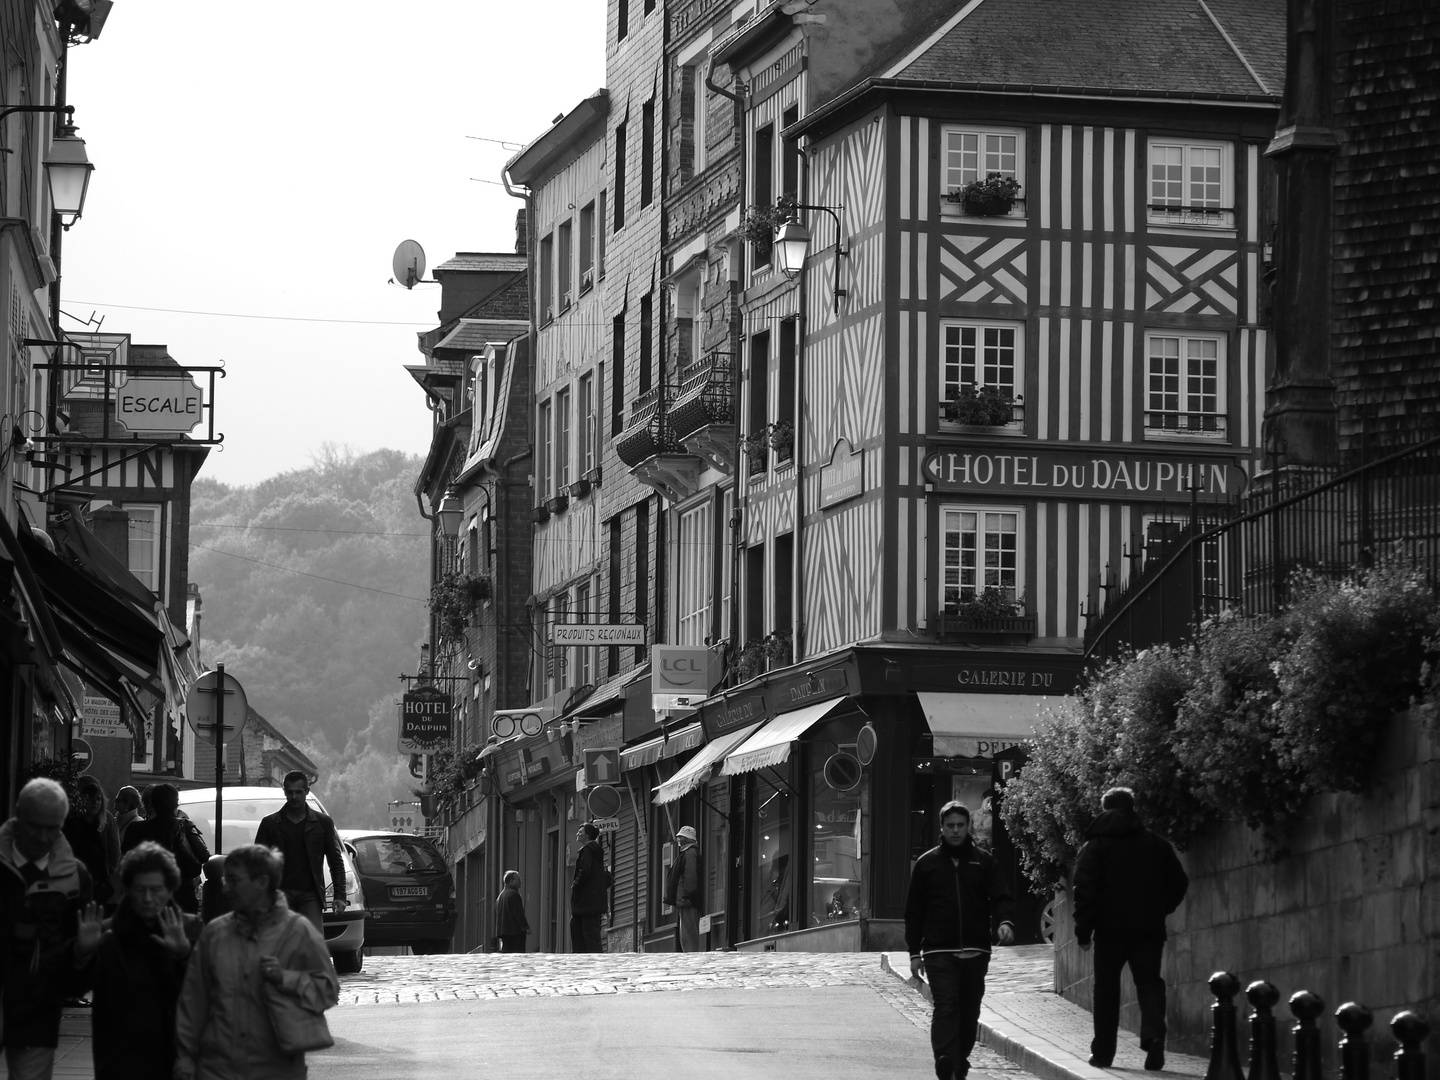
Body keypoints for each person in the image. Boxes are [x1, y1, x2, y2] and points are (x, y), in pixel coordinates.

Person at [174, 845, 339, 1080]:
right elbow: (193, 1001)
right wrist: (185, 1058)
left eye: (233, 880)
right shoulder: (215, 933)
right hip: (217, 1069)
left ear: (261, 882)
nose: (224, 887)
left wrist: (286, 979)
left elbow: (328, 991)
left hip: (277, 1069)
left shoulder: (299, 931)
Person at [1073, 786, 1189, 1072]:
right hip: (1148, 928)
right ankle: (1154, 1037)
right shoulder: (1156, 844)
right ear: (1132, 807)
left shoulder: (1095, 847)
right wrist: (1162, 908)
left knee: (1107, 990)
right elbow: (1179, 882)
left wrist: (1083, 932)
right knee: (1149, 983)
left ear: (1104, 808)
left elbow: (1085, 890)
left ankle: (1103, 1053)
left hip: (1110, 931)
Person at [0, 778, 103, 1079]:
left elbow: (71, 974)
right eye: (36, 826)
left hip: (37, 1005)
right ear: (18, 817)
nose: (44, 837)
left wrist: (83, 954)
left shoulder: (74, 877)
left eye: (53, 828)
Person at [905, 800, 1015, 1080]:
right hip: (939, 951)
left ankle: (958, 1061)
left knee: (969, 1014)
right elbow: (914, 911)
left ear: (968, 827)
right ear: (942, 827)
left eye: (960, 825)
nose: (955, 831)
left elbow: (1000, 895)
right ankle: (944, 1058)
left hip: (977, 950)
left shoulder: (984, 862)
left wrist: (1004, 922)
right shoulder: (926, 864)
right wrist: (914, 952)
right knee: (945, 1005)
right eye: (950, 825)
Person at [86, 842, 201, 1080]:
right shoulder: (107, 935)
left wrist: (183, 955)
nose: (148, 898)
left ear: (170, 890)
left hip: (177, 1059)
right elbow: (70, 985)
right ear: (127, 889)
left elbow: (208, 995)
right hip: (119, 1061)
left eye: (156, 890)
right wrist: (79, 952)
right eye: (139, 890)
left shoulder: (191, 930)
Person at [253, 772, 347, 935]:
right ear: (284, 792)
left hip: (310, 895)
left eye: (298, 792)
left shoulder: (322, 823)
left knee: (311, 945)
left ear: (307, 791)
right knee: (280, 946)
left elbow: (335, 860)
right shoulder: (270, 824)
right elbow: (257, 863)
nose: (294, 796)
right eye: (290, 792)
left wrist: (340, 894)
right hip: (279, 894)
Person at [120, 783, 208, 915]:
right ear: (176, 803)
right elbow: (204, 855)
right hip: (181, 896)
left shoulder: (136, 829)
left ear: (153, 804)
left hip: (147, 897)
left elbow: (126, 857)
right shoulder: (184, 826)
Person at [66, 776, 121, 910]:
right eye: (90, 797)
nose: (95, 803)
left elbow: (113, 851)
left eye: (98, 798)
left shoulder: (101, 822)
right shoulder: (73, 826)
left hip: (96, 890)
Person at [569, 821, 608, 953]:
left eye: (580, 832)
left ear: (587, 835)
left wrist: (575, 885)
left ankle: (589, 957)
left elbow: (585, 871)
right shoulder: (593, 850)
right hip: (591, 901)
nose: (577, 834)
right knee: (585, 930)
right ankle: (586, 955)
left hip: (586, 901)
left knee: (588, 932)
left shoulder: (588, 851)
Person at [666, 825, 703, 952]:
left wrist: (687, 896)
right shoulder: (687, 853)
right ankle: (689, 952)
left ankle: (692, 953)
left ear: (688, 839)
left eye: (681, 837)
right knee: (686, 930)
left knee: (689, 931)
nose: (679, 840)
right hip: (683, 899)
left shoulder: (690, 853)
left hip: (687, 900)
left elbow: (690, 876)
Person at [494, 870, 529, 953]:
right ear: (511, 881)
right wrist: (525, 927)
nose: (520, 881)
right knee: (518, 954)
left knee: (507, 953)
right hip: (515, 931)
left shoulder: (501, 895)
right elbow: (518, 912)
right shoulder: (514, 894)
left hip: (504, 931)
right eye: (518, 879)